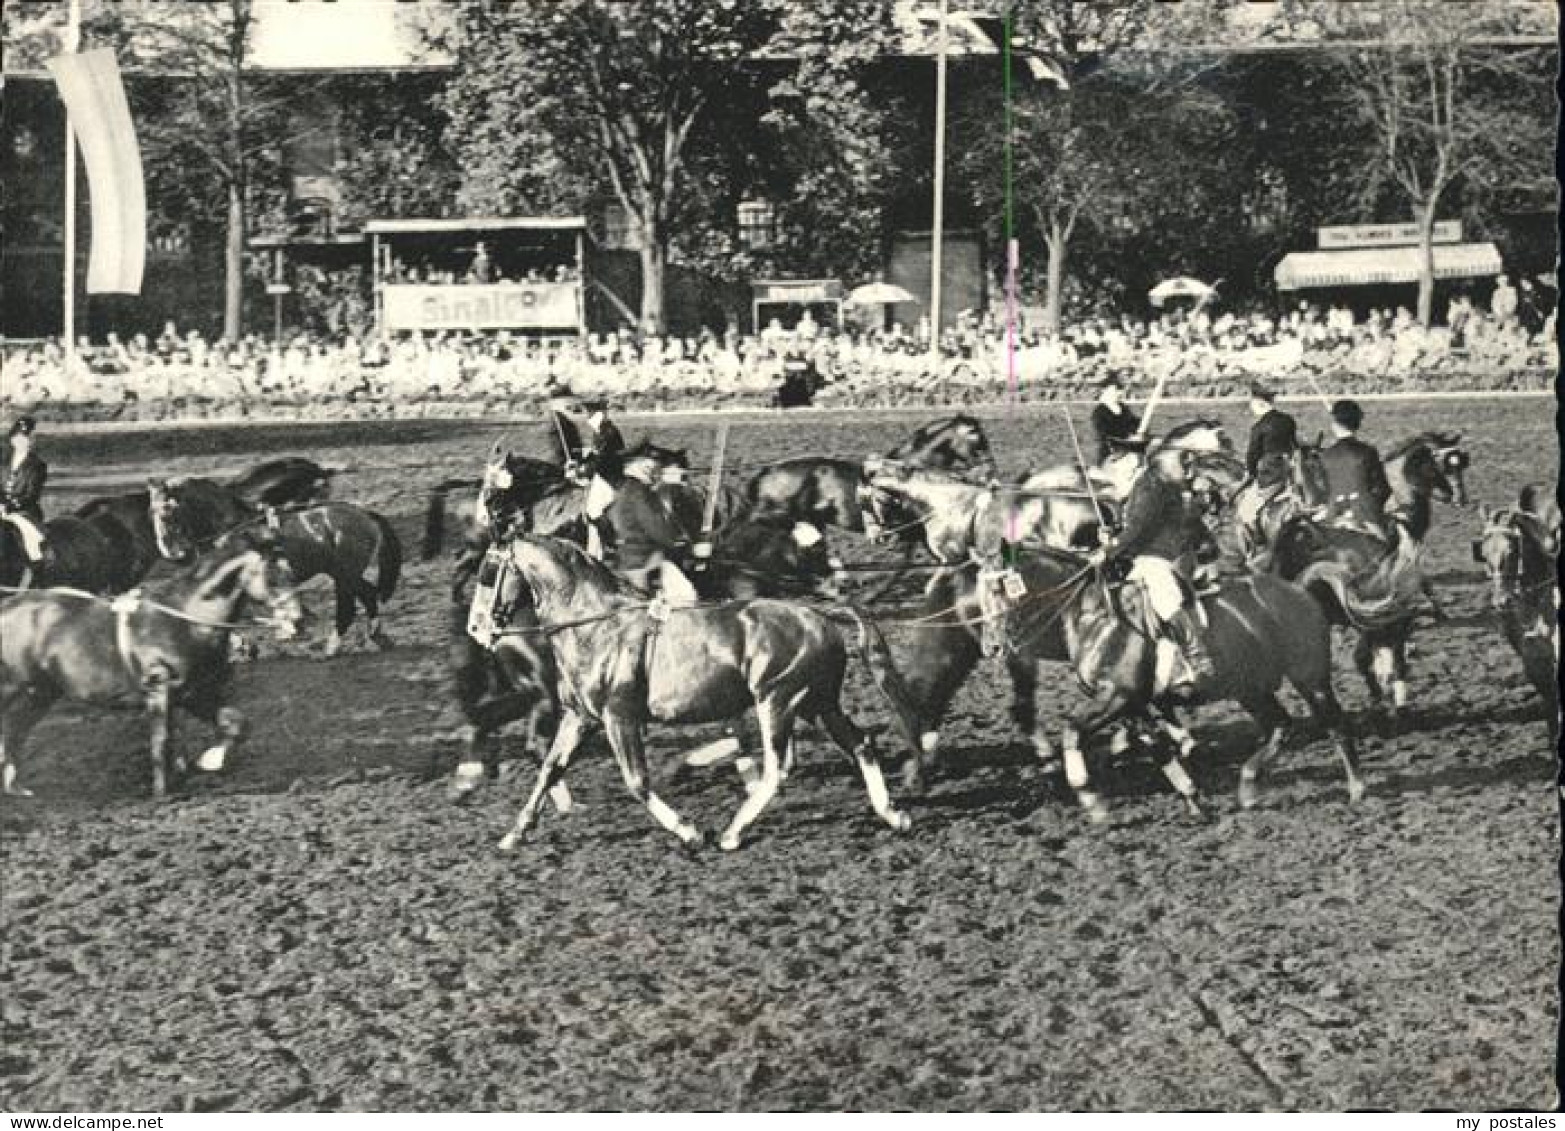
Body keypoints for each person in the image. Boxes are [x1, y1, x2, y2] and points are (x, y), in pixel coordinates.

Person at [1087, 438, 1217, 692]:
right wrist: (1111, 534)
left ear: (1132, 461)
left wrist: (1109, 550)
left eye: (1117, 461)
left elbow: (1139, 529)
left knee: (1163, 597)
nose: (1113, 466)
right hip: (1146, 551)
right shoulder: (1141, 484)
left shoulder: (1150, 485)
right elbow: (1133, 526)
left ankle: (1196, 654)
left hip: (1167, 554)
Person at [1233, 382, 1299, 558]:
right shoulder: (1288, 420)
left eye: (1252, 403)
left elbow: (1252, 457)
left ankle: (1259, 544)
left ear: (1259, 403)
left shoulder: (1259, 427)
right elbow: (1294, 445)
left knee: (1246, 513)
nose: (1250, 407)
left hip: (1271, 475)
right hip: (1291, 472)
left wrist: (1251, 476)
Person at [1319, 399, 1392, 539]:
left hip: (1333, 513)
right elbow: (1383, 488)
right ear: (1358, 424)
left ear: (1334, 425)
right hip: (1365, 514)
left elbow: (1324, 489)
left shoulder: (1325, 455)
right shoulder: (1368, 452)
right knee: (1388, 552)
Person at [2, 416, 49, 576]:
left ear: (31, 441)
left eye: (25, 438)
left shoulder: (37, 465)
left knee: (29, 537)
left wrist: (10, 505)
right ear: (12, 439)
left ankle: (34, 566)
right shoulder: (4, 461)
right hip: (2, 507)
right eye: (18, 437)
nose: (21, 441)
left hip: (24, 511)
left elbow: (32, 494)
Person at [1089, 375, 1142, 465]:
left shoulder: (1123, 407)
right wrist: (1128, 437)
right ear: (1104, 391)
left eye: (1119, 390)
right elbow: (1104, 435)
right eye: (1115, 390)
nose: (1118, 393)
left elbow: (1133, 424)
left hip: (1129, 447)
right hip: (1111, 452)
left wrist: (1140, 427)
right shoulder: (1099, 412)